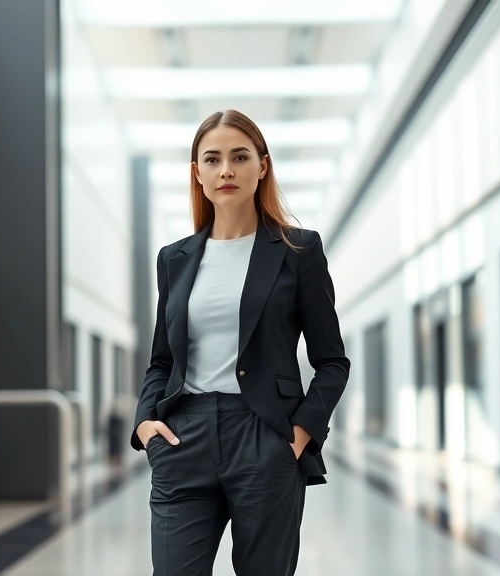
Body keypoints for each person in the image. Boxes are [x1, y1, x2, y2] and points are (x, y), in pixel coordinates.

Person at [131, 109, 350, 576]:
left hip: (264, 437)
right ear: (198, 174)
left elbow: (332, 361)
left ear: (262, 166)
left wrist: (297, 439)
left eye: (239, 156)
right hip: (182, 437)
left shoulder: (298, 251)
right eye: (212, 159)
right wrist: (146, 425)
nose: (225, 169)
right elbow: (161, 361)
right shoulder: (175, 259)